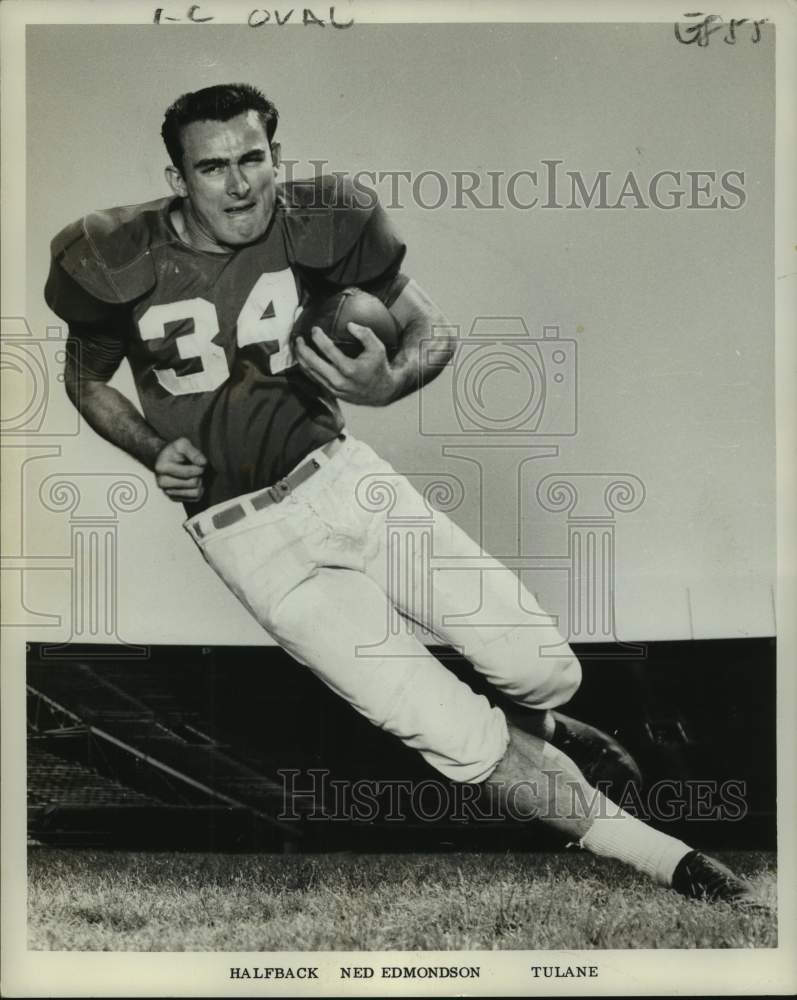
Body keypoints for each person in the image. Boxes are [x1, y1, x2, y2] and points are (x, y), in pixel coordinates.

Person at [45, 83, 765, 909]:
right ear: (177, 175)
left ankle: (550, 729)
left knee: (542, 666)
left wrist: (387, 381)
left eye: (254, 159)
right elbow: (85, 379)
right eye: (214, 167)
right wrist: (147, 449)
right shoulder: (113, 254)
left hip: (347, 482)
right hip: (244, 535)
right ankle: (672, 863)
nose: (240, 184)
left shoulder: (320, 220)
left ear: (275, 155)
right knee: (443, 728)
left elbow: (434, 329)